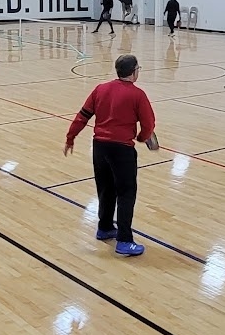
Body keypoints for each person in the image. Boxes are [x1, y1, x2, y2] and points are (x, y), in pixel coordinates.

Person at [63, 54, 156, 257]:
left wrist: (70, 138)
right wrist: (142, 138)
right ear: (133, 72)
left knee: (105, 189)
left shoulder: (100, 89)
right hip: (122, 150)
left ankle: (105, 227)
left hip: (99, 148)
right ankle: (124, 240)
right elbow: (149, 124)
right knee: (126, 193)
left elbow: (82, 116)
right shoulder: (138, 95)